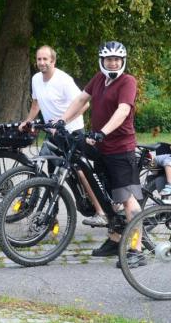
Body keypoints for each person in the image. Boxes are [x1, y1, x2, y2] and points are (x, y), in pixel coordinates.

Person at [59, 41, 145, 268]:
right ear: (102, 61)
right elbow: (81, 99)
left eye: (117, 59)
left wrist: (103, 132)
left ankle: (137, 249)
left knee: (126, 198)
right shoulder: (99, 79)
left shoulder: (127, 81)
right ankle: (116, 239)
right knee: (108, 196)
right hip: (102, 147)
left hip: (120, 148)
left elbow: (123, 110)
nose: (113, 63)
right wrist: (62, 120)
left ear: (122, 61)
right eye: (109, 59)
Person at [19, 45, 107, 226]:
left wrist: (63, 122)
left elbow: (85, 105)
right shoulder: (36, 79)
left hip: (72, 132)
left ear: (53, 61)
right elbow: (36, 104)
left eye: (45, 59)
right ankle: (51, 218)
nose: (42, 62)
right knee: (52, 176)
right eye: (39, 59)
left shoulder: (64, 80)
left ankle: (101, 211)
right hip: (53, 133)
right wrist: (27, 121)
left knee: (80, 171)